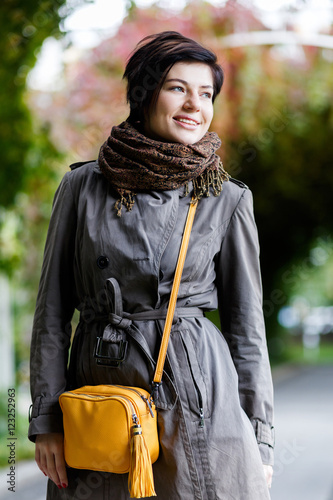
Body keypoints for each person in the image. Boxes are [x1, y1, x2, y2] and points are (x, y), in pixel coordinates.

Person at [29, 31, 274, 499]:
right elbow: (52, 314)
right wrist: (44, 422)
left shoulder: (226, 197)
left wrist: (260, 441)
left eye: (206, 94)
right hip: (100, 395)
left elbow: (248, 328)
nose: (194, 105)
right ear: (143, 94)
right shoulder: (83, 186)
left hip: (200, 400)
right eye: (177, 88)